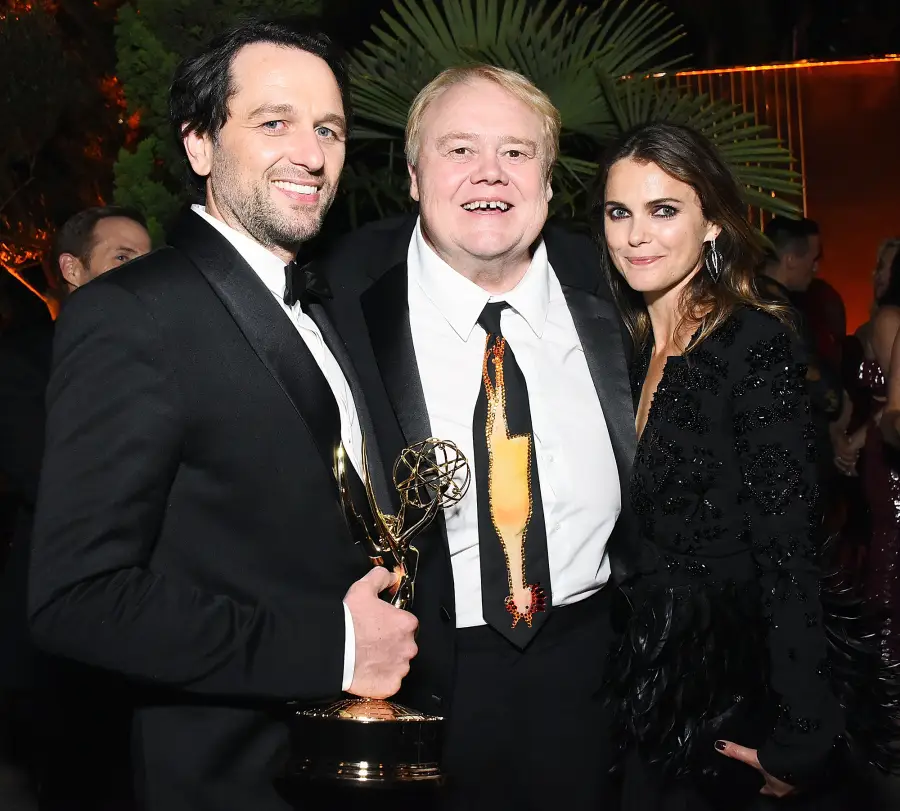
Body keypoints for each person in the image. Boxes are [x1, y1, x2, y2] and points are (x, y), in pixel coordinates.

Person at [27, 21, 417, 811]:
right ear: (200, 146)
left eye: (329, 128)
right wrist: (336, 646)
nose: (311, 152)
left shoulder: (326, 304)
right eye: (274, 122)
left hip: (337, 765)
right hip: (221, 775)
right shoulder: (131, 315)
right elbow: (78, 599)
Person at [320, 65, 637, 810]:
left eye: (517, 152)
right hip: (421, 680)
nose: (489, 173)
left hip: (600, 674)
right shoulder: (340, 306)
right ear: (412, 174)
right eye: (458, 149)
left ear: (551, 182)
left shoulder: (620, 293)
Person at [592, 122, 870, 810]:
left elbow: (789, 548)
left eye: (664, 210)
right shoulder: (614, 349)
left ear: (713, 223)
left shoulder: (753, 342)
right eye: (618, 211)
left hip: (719, 695)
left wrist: (801, 730)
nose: (636, 235)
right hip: (629, 689)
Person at [0, 205, 151, 810]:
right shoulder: (22, 363)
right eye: (122, 260)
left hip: (147, 631)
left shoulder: (163, 359)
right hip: (57, 640)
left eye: (148, 261)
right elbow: (45, 477)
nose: (142, 275)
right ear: (72, 268)